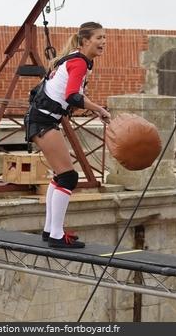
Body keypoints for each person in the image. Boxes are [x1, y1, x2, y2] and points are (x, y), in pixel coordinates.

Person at [25, 22, 111, 249]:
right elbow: (73, 96)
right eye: (98, 38)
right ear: (85, 42)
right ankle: (55, 234)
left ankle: (49, 230)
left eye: (104, 37)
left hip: (43, 118)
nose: (103, 42)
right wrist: (99, 109)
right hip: (43, 120)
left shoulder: (77, 59)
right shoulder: (79, 62)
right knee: (68, 177)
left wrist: (92, 106)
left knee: (60, 175)